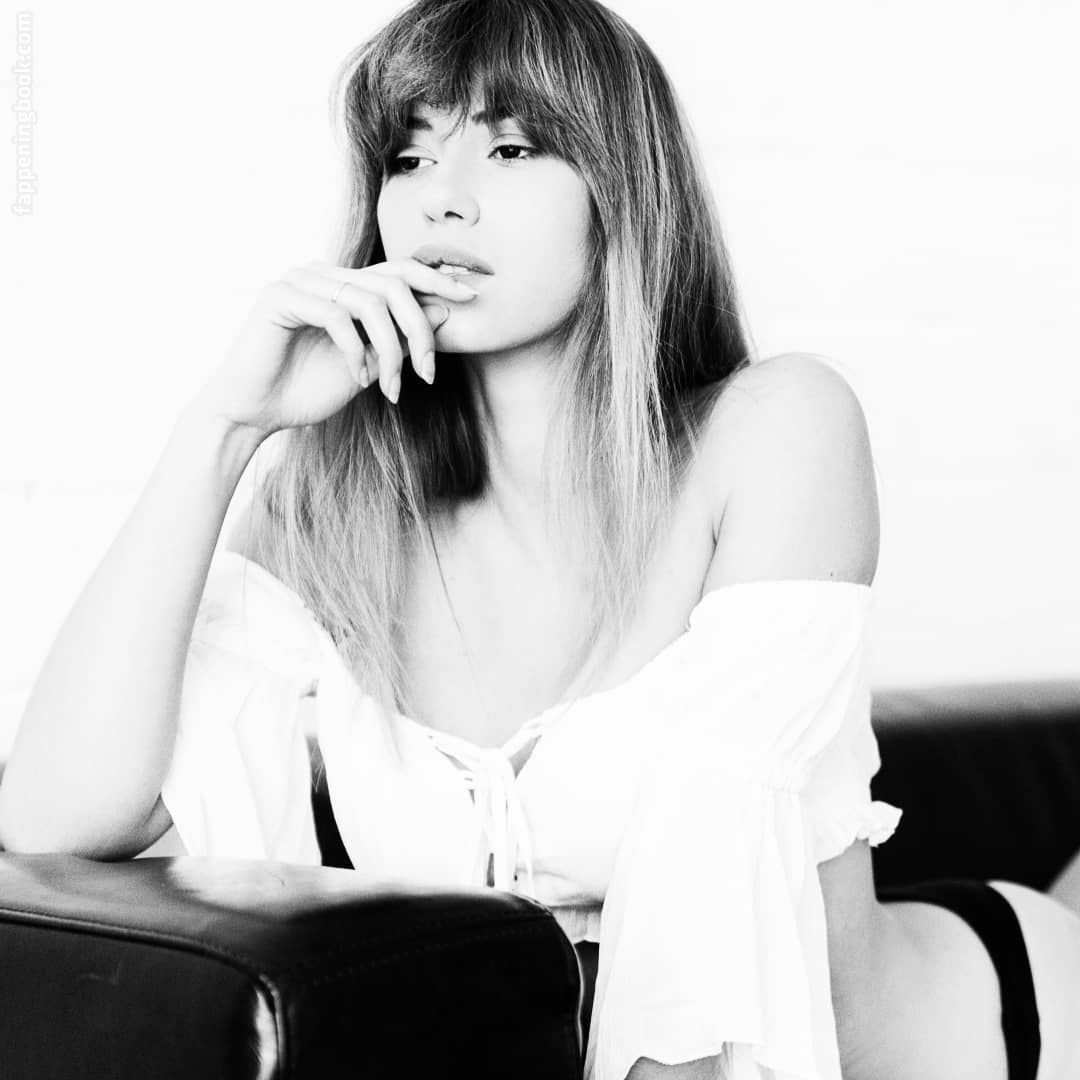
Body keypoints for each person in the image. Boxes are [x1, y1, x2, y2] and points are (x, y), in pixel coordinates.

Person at [2, 0, 1079, 1077]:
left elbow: (707, 984)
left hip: (1004, 1029)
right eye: (409, 157)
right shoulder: (337, 511)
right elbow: (55, 824)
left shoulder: (773, 432)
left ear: (622, 192)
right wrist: (225, 430)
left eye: (511, 149)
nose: (443, 198)